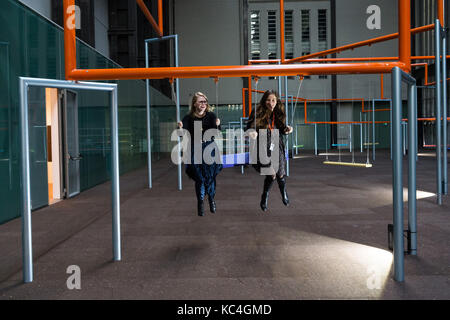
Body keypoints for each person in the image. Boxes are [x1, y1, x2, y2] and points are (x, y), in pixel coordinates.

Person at [246, 90, 293, 212]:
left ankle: (284, 193)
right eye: (268, 100)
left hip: (276, 143)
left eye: (273, 100)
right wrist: (252, 132)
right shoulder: (257, 111)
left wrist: (287, 129)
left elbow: (282, 128)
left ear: (276, 102)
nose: (271, 103)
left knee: (281, 173)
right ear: (264, 100)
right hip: (262, 144)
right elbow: (248, 127)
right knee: (272, 174)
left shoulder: (278, 112)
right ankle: (265, 196)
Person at [177, 92, 223, 216]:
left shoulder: (211, 116)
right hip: (195, 148)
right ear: (194, 104)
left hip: (209, 147)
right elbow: (183, 134)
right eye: (200, 101)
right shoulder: (188, 118)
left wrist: (218, 126)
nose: (203, 104)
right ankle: (201, 202)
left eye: (205, 102)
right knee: (200, 178)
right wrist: (180, 128)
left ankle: (211, 199)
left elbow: (217, 133)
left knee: (211, 176)